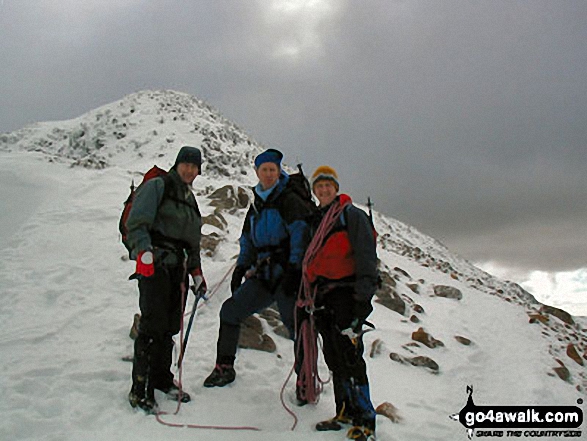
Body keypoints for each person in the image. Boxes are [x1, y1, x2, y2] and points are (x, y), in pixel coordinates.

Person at [203, 148, 312, 387]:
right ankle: (224, 367)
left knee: (298, 326)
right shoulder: (257, 205)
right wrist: (242, 266)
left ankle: (306, 380)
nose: (269, 174)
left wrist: (295, 270)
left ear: (279, 171)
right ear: (257, 172)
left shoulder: (289, 200)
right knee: (230, 311)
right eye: (265, 170)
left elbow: (299, 234)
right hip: (263, 275)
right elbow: (247, 239)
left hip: (286, 275)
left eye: (273, 169)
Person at [299, 166, 378, 441]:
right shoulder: (316, 220)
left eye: (328, 185)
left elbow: (367, 256)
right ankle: (344, 411)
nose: (323, 190)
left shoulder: (350, 215)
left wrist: (363, 300)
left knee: (350, 357)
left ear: (336, 187)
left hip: (347, 293)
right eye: (319, 186)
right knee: (334, 356)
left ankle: (365, 421)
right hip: (323, 296)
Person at [125, 146, 206, 413]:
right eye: (185, 164)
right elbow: (136, 222)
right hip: (155, 264)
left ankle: (161, 378)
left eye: (194, 167)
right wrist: (143, 252)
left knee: (170, 324)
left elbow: (192, 242)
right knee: (152, 324)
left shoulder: (190, 200)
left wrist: (196, 274)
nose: (189, 170)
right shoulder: (158, 186)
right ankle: (140, 388)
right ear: (177, 164)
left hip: (178, 269)